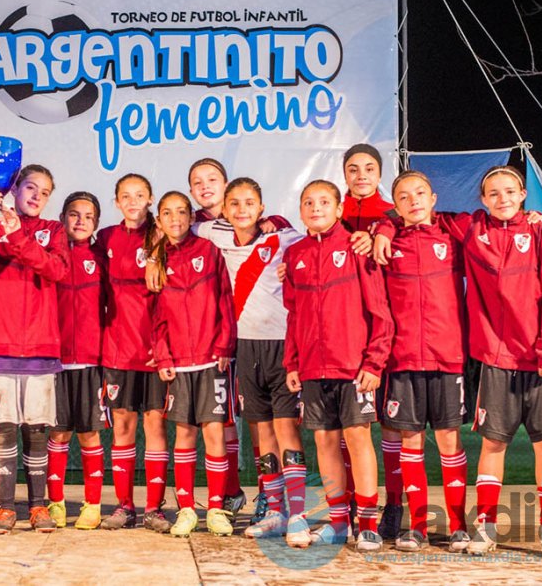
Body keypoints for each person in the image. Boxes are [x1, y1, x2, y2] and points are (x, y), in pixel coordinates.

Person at [376, 165, 542, 559]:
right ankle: (479, 526)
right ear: (481, 201)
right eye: (493, 193)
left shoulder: (539, 229)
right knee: (492, 444)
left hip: (539, 358)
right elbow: (399, 214)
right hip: (493, 358)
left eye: (509, 191)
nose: (502, 199)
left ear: (522, 195)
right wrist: (383, 226)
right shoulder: (469, 229)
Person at [195, 178, 311, 545]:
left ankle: (298, 514)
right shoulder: (214, 233)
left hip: (282, 347)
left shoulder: (286, 238)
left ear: (262, 209)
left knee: (287, 430)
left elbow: (314, 238)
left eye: (250, 203)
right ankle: (275, 510)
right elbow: (177, 225)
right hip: (245, 349)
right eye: (235, 204)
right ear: (225, 211)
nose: (242, 209)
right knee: (262, 433)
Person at [0, 164, 70, 535]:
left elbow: (56, 271)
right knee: (3, 430)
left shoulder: (53, 231)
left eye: (45, 191)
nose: (37, 196)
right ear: (14, 189)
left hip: (40, 347)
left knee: (38, 429)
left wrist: (16, 236)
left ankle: (37, 507)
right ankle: (5, 507)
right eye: (31, 187)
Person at [283, 180, 393, 552]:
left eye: (324, 202)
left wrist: (374, 362)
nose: (316, 208)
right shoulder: (294, 254)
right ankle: (337, 523)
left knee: (359, 439)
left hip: (353, 367)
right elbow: (294, 314)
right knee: (325, 441)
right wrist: (293, 362)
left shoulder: (357, 247)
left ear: (339, 208)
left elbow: (381, 313)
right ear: (300, 211)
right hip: (313, 368)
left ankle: (368, 523)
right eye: (309, 203)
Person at [371, 171, 470, 552]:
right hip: (404, 357)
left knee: (448, 440)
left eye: (420, 194)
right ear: (395, 206)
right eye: (403, 196)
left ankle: (459, 525)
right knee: (411, 441)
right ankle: (416, 527)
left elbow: (482, 221)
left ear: (433, 197)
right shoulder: (390, 242)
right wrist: (384, 226)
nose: (413, 200)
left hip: (448, 357)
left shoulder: (452, 234)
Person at [151, 191, 236, 537]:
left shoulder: (208, 251)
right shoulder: (156, 259)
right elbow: (155, 316)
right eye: (168, 213)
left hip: (210, 360)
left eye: (182, 212)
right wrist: (163, 355)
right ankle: (186, 509)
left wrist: (224, 345)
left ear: (191, 216)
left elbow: (225, 300)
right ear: (158, 220)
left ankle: (215, 509)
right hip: (178, 364)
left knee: (213, 432)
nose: (176, 219)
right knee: (184, 435)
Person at [95, 174, 170, 532]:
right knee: (122, 426)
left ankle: (154, 508)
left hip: (155, 352)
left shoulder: (164, 237)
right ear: (116, 202)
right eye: (126, 196)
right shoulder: (105, 237)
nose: (133, 201)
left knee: (155, 426)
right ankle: (124, 506)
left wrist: (166, 345)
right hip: (116, 350)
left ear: (151, 198)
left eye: (140, 194)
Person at [340, 143, 404, 538]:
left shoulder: (391, 214)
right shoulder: (335, 214)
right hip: (347, 339)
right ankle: (349, 504)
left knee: (392, 428)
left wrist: (383, 228)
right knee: (350, 429)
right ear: (344, 174)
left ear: (379, 173)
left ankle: (394, 505)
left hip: (389, 336)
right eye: (353, 169)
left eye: (368, 168)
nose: (361, 175)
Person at [46, 191, 108, 531]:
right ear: (62, 218)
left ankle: (93, 504)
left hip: (90, 362)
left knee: (89, 435)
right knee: (57, 434)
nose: (80, 220)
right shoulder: (51, 255)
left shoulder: (101, 257)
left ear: (96, 223)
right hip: (53, 362)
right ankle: (55, 503)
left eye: (88, 215)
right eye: (73, 213)